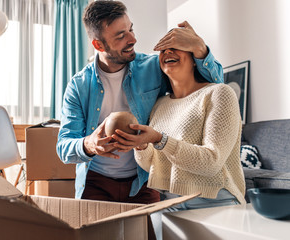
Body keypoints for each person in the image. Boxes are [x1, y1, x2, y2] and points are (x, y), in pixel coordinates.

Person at [56, 0, 224, 204]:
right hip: (95, 182)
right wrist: (89, 144)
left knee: (149, 234)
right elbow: (63, 147)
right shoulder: (78, 86)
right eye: (121, 36)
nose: (133, 39)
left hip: (143, 180)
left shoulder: (153, 67)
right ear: (98, 45)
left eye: (130, 29)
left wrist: (200, 49)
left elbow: (215, 85)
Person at [113, 47, 246, 208]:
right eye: (163, 49)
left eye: (177, 47)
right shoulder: (160, 104)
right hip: (170, 201)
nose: (168, 52)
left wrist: (159, 139)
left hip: (215, 200)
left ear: (195, 60)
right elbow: (154, 165)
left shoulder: (219, 93)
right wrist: (141, 146)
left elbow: (212, 163)